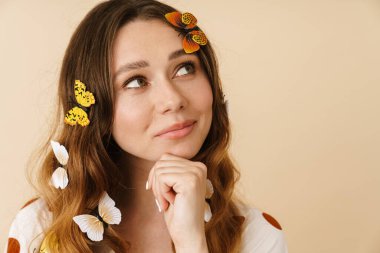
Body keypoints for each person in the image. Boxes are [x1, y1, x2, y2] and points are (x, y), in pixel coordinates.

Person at [4, 0, 288, 252]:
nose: (172, 100)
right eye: (136, 81)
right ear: (94, 107)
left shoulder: (256, 237)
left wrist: (193, 244)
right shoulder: (39, 230)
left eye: (185, 68)